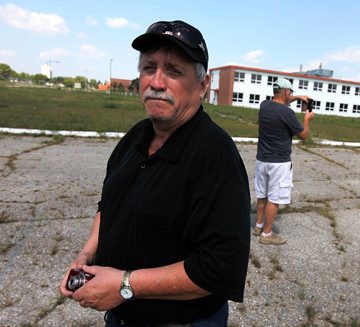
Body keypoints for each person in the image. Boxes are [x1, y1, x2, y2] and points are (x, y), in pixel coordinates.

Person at [59, 20, 250, 326]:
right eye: (149, 68)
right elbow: (108, 206)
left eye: (174, 71)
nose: (157, 82)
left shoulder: (215, 156)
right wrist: (85, 256)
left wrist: (124, 284)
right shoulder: (136, 136)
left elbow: (219, 268)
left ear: (202, 86)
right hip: (120, 316)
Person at [253, 78, 314, 245]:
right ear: (286, 92)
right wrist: (307, 119)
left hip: (262, 160)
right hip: (278, 163)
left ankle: (258, 226)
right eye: (291, 92)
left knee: (262, 194)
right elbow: (303, 135)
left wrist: (297, 97)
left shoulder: (264, 106)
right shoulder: (288, 114)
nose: (292, 95)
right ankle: (267, 234)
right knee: (274, 198)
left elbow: (280, 102)